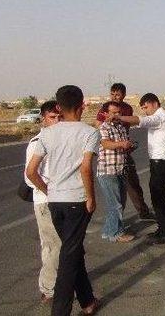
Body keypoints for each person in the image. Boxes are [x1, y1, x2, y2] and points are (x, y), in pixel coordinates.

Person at [26, 85, 100, 316]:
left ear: (58, 107)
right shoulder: (89, 133)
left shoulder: (47, 133)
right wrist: (90, 197)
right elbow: (86, 168)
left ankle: (87, 301)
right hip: (77, 200)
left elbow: (31, 171)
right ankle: (60, 310)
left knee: (72, 250)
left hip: (55, 202)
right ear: (82, 105)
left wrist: (48, 190)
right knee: (70, 255)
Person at [112, 93, 165, 244]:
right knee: (158, 198)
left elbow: (142, 120)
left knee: (159, 199)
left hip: (161, 163)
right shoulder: (160, 117)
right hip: (159, 162)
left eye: (146, 107)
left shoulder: (161, 117)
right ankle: (164, 228)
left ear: (154, 103)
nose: (145, 111)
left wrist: (119, 117)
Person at [96, 83, 154, 221]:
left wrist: (126, 143)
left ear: (123, 95)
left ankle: (143, 213)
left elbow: (128, 125)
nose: (115, 97)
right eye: (112, 94)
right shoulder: (105, 108)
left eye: (118, 94)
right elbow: (98, 126)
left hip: (125, 150)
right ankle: (115, 224)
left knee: (133, 184)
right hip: (111, 154)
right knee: (115, 192)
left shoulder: (127, 108)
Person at [24, 100, 61, 304]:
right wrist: (49, 191)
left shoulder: (60, 140)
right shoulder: (37, 142)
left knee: (56, 245)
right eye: (52, 117)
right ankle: (48, 288)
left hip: (62, 199)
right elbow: (30, 177)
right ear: (43, 119)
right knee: (54, 245)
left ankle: (59, 281)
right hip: (45, 201)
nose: (56, 121)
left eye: (59, 117)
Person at [98, 101, 135, 243]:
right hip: (108, 171)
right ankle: (116, 233)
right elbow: (105, 143)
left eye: (118, 112)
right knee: (115, 204)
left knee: (119, 203)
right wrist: (121, 144)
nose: (116, 115)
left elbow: (125, 143)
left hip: (120, 169)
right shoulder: (104, 127)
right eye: (113, 112)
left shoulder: (120, 127)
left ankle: (109, 231)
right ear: (105, 113)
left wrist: (129, 145)